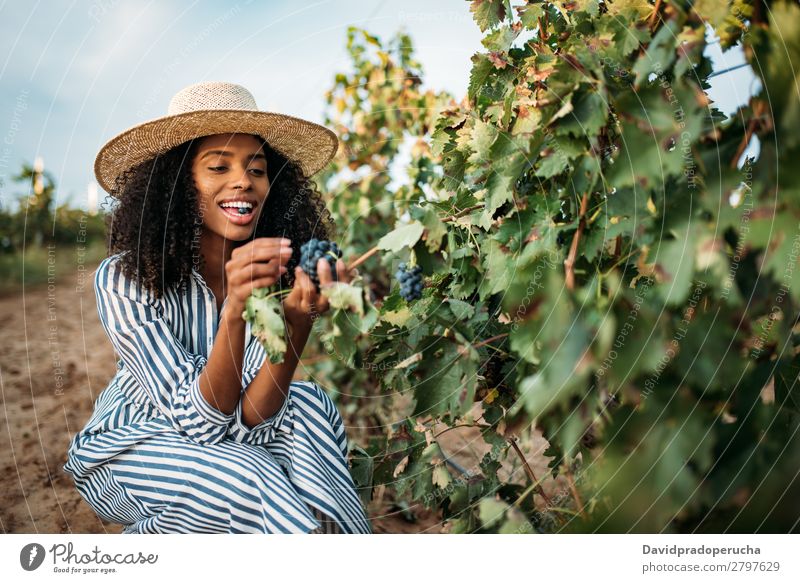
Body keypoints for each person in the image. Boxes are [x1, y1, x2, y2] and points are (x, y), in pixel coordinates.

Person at [63, 81, 372, 534]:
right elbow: (202, 427)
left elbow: (250, 425)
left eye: (257, 169)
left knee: (310, 406)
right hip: (128, 452)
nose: (243, 181)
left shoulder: (273, 277)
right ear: (176, 182)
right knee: (250, 474)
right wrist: (235, 312)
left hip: (227, 441)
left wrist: (297, 323)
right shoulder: (123, 279)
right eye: (218, 166)